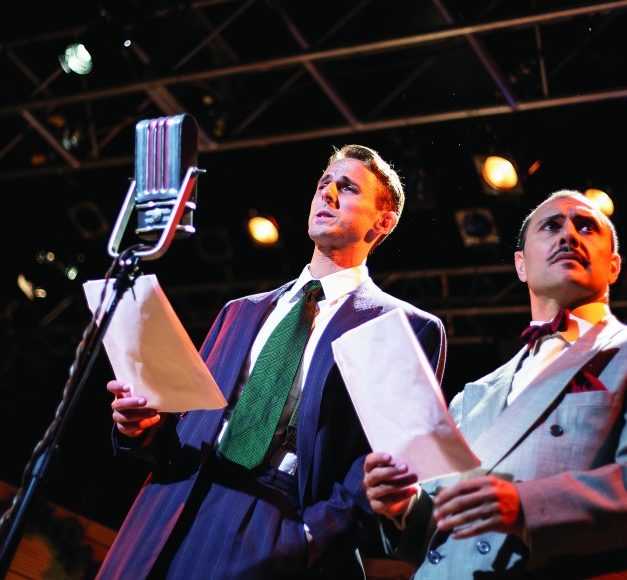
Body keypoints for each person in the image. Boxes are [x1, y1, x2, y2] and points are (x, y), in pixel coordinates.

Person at [96, 144, 447, 579]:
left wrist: (310, 538)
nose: (328, 195)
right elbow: (187, 428)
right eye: (323, 184)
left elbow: (390, 457)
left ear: (383, 221)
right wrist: (144, 428)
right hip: (173, 504)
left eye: (348, 188)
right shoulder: (240, 311)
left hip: (277, 519)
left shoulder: (402, 325)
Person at [362, 189, 627, 579]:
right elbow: (435, 529)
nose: (569, 236)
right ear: (521, 265)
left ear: (614, 266)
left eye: (586, 227)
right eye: (551, 226)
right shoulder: (473, 394)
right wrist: (402, 507)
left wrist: (525, 505)